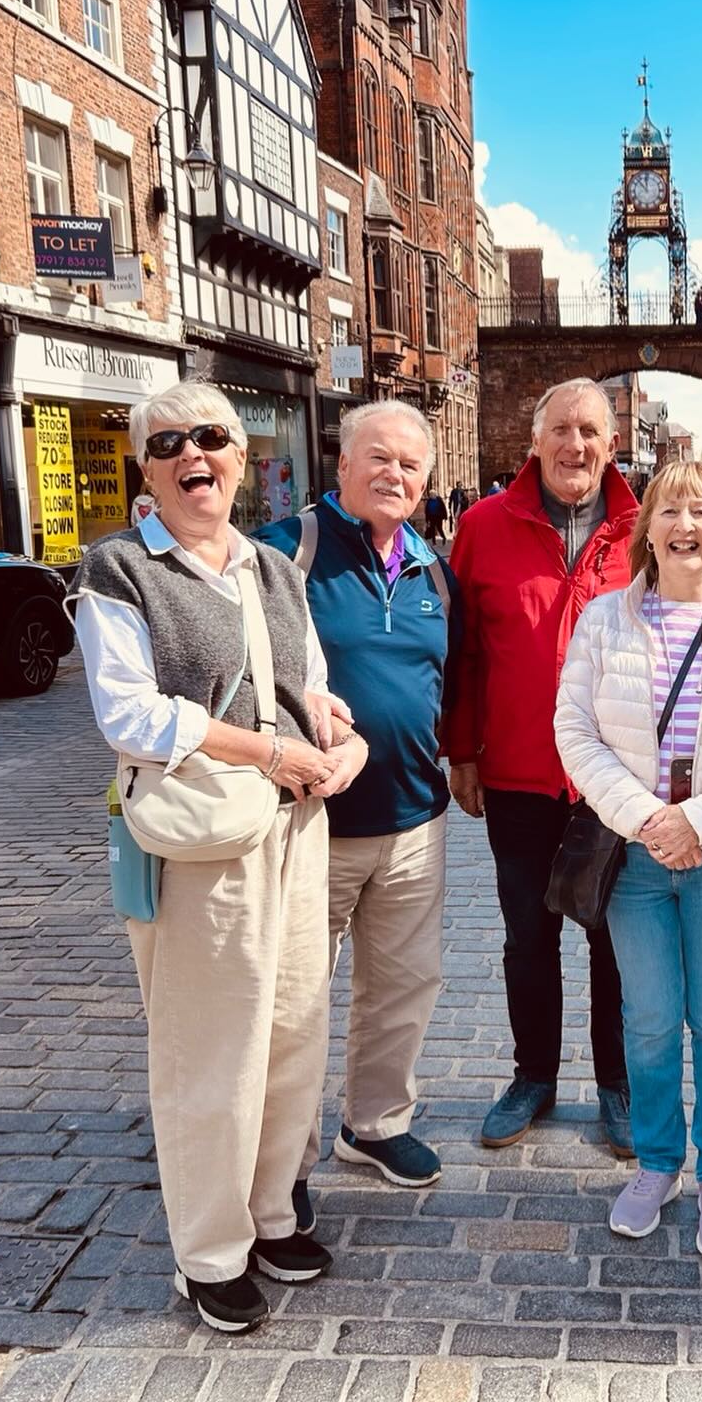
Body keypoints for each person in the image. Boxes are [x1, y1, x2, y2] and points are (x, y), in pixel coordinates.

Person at [69, 383, 368, 1332]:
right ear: (148, 471)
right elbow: (129, 715)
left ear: (240, 458)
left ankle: (273, 1213)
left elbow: (312, 687)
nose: (193, 455)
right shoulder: (120, 569)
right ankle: (208, 1253)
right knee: (211, 1051)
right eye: (169, 445)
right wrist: (268, 751)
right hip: (201, 837)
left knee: (291, 1030)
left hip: (292, 826)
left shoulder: (273, 567)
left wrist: (339, 742)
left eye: (212, 439)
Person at [555, 462, 702, 1256]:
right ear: (647, 530)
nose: (685, 524)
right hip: (634, 861)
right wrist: (648, 820)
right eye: (670, 510)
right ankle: (659, 1162)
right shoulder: (603, 621)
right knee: (652, 1021)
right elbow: (576, 733)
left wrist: (698, 822)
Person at [259, 401, 459, 1231]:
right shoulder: (286, 551)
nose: (395, 475)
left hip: (415, 818)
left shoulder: (430, 567)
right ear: (341, 464)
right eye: (379, 458)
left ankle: (374, 1125)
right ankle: (280, 1163)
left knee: (402, 987)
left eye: (411, 465)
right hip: (313, 822)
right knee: (295, 999)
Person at [448, 379, 639, 1153]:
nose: (575, 446)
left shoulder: (644, 528)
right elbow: (462, 654)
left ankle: (618, 1086)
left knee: (614, 940)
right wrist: (461, 748)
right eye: (560, 429)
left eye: (590, 431)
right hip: (521, 774)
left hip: (614, 781)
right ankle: (534, 1075)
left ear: (612, 444)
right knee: (528, 936)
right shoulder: (483, 527)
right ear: (535, 441)